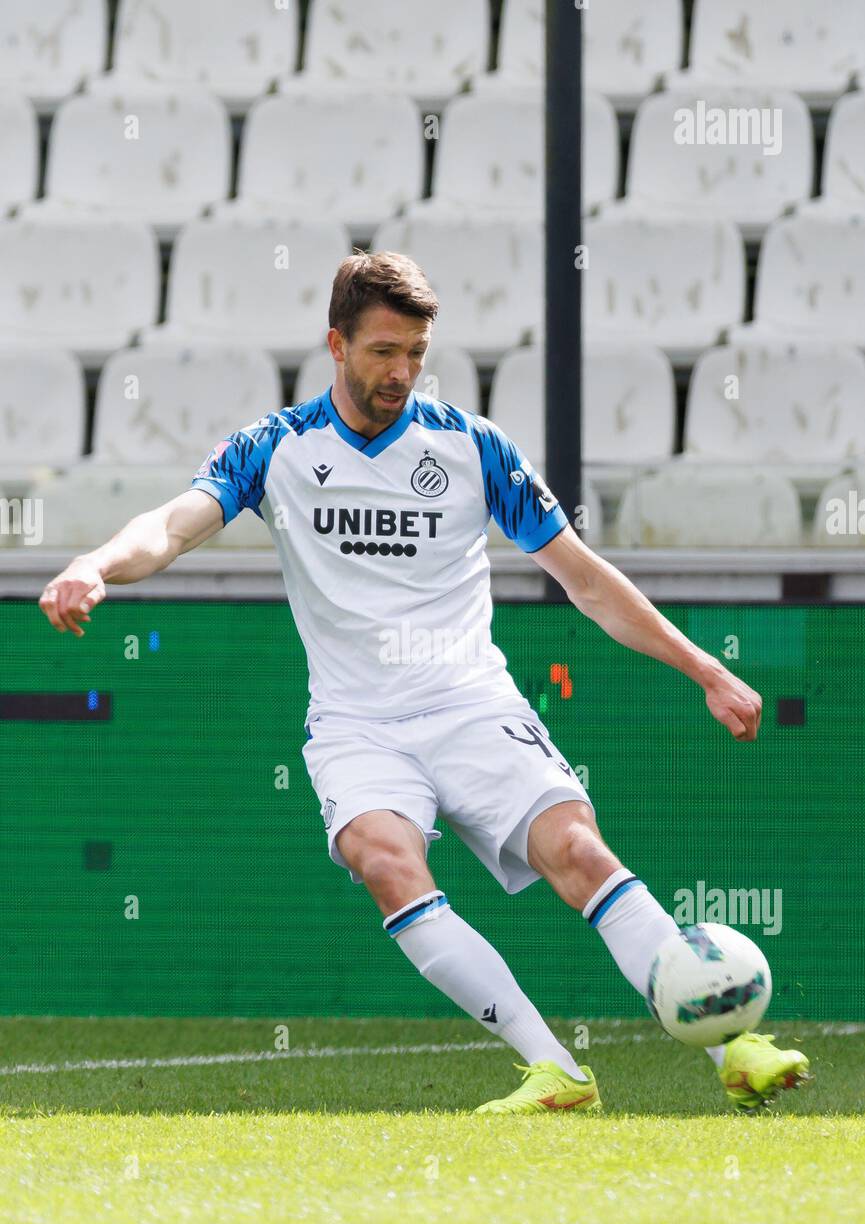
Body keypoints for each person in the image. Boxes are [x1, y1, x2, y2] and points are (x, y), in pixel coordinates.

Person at [39, 251, 811, 1114]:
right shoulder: (276, 448)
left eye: (414, 351)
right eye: (381, 352)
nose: (401, 371)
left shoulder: (473, 447)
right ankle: (555, 1070)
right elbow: (173, 527)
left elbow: (585, 580)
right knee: (384, 861)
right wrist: (95, 563)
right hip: (356, 725)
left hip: (471, 704)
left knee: (578, 852)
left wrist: (704, 669)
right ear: (335, 344)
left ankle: (731, 1047)